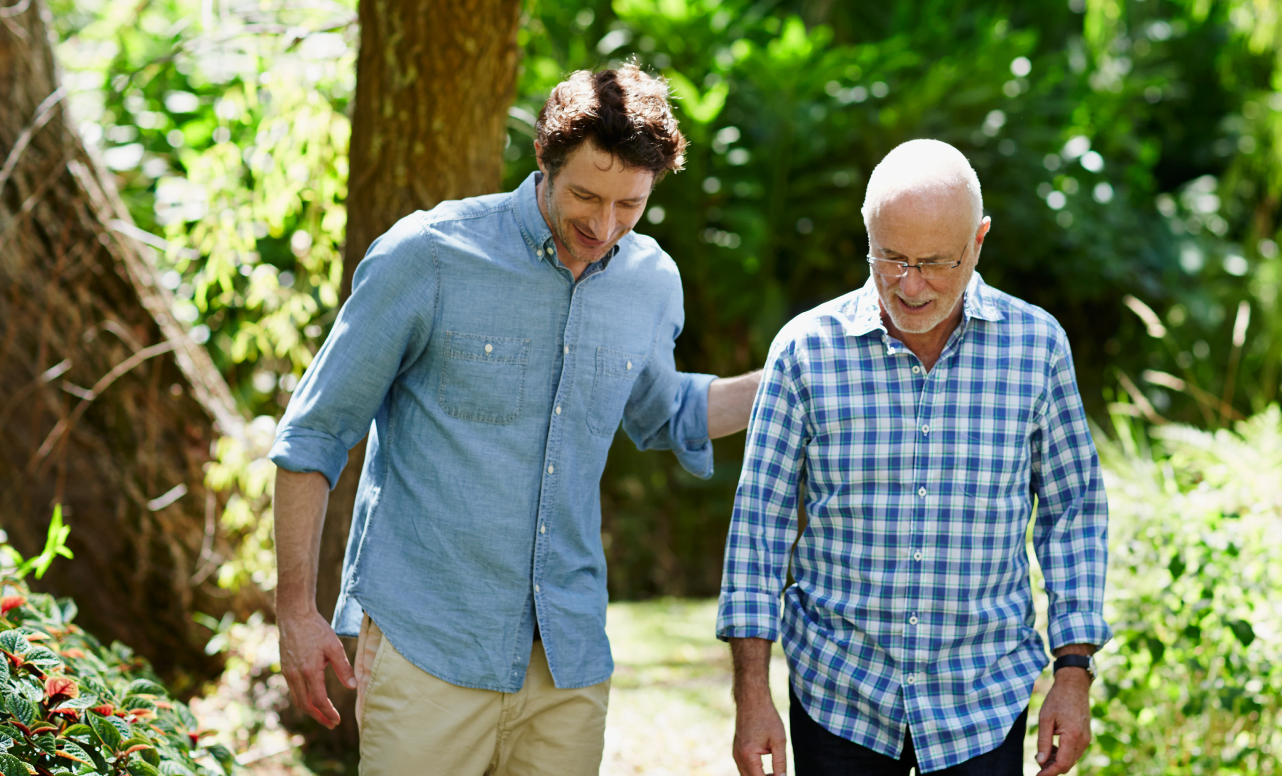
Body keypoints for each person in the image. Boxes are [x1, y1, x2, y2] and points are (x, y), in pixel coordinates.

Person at [269, 64, 761, 776]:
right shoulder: (429, 255)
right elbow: (313, 436)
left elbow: (668, 414)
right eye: (585, 195)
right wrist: (295, 612)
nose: (602, 224)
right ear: (543, 159)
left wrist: (789, 379)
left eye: (629, 204)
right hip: (427, 644)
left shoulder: (650, 281)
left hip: (567, 662)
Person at [716, 139, 1110, 776]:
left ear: (978, 242)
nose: (912, 285)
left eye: (935, 263)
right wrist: (752, 694)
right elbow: (757, 530)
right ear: (867, 239)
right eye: (891, 259)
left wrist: (1073, 671)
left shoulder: (1038, 348)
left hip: (983, 701)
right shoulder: (805, 350)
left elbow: (1074, 515)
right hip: (838, 698)